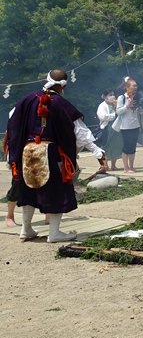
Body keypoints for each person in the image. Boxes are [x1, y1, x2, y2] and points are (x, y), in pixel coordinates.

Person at [7, 69, 107, 243]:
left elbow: (12, 118)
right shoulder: (61, 104)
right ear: (64, 86)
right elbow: (81, 132)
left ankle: (26, 229)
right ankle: (54, 233)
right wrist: (97, 152)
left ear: (46, 79)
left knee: (28, 188)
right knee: (56, 189)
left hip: (27, 150)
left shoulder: (28, 99)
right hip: (50, 152)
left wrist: (13, 150)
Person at [116, 78, 143, 173]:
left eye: (136, 86)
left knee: (133, 146)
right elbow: (118, 111)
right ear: (127, 87)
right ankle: (126, 167)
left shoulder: (136, 97)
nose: (135, 87)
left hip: (135, 124)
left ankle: (131, 166)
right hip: (126, 125)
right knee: (126, 146)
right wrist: (127, 105)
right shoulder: (122, 98)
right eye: (133, 85)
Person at [96, 89, 122, 171]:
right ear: (105, 97)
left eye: (113, 94)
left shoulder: (116, 105)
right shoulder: (102, 106)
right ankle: (105, 165)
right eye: (110, 95)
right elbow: (103, 116)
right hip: (107, 128)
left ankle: (113, 165)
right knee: (106, 146)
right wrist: (114, 115)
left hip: (117, 127)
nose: (112, 96)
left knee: (116, 146)